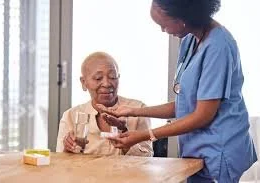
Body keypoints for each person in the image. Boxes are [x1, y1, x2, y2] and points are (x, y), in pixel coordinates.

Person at [95, 0, 258, 182]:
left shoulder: (219, 47)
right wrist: (132, 111)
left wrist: (145, 135)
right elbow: (184, 104)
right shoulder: (189, 41)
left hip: (220, 151)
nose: (163, 31)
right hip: (197, 152)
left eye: (163, 25)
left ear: (183, 17)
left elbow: (203, 115)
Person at [56, 51, 153, 156]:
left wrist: (125, 139)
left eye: (112, 77)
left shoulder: (138, 109)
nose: (106, 84)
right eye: (98, 78)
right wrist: (68, 148)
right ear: (84, 82)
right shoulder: (71, 116)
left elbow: (147, 158)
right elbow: (61, 162)